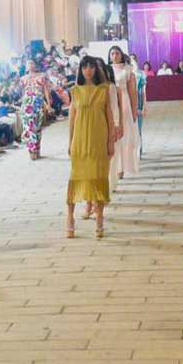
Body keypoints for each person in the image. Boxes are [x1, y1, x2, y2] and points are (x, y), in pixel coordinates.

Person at [65, 56, 116, 239]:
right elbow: (72, 118)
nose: (88, 70)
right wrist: (70, 142)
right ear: (80, 70)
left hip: (98, 139)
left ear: (96, 69)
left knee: (99, 177)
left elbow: (109, 116)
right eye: (85, 67)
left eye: (91, 67)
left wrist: (110, 141)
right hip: (80, 140)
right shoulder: (75, 91)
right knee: (76, 177)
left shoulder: (104, 89)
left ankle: (100, 218)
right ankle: (70, 218)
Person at [107, 47, 140, 184]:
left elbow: (133, 93)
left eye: (117, 53)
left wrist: (134, 110)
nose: (115, 56)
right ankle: (117, 167)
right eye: (112, 53)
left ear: (121, 55)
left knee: (125, 136)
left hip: (125, 104)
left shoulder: (127, 70)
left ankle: (124, 166)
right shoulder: (107, 70)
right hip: (112, 104)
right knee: (114, 136)